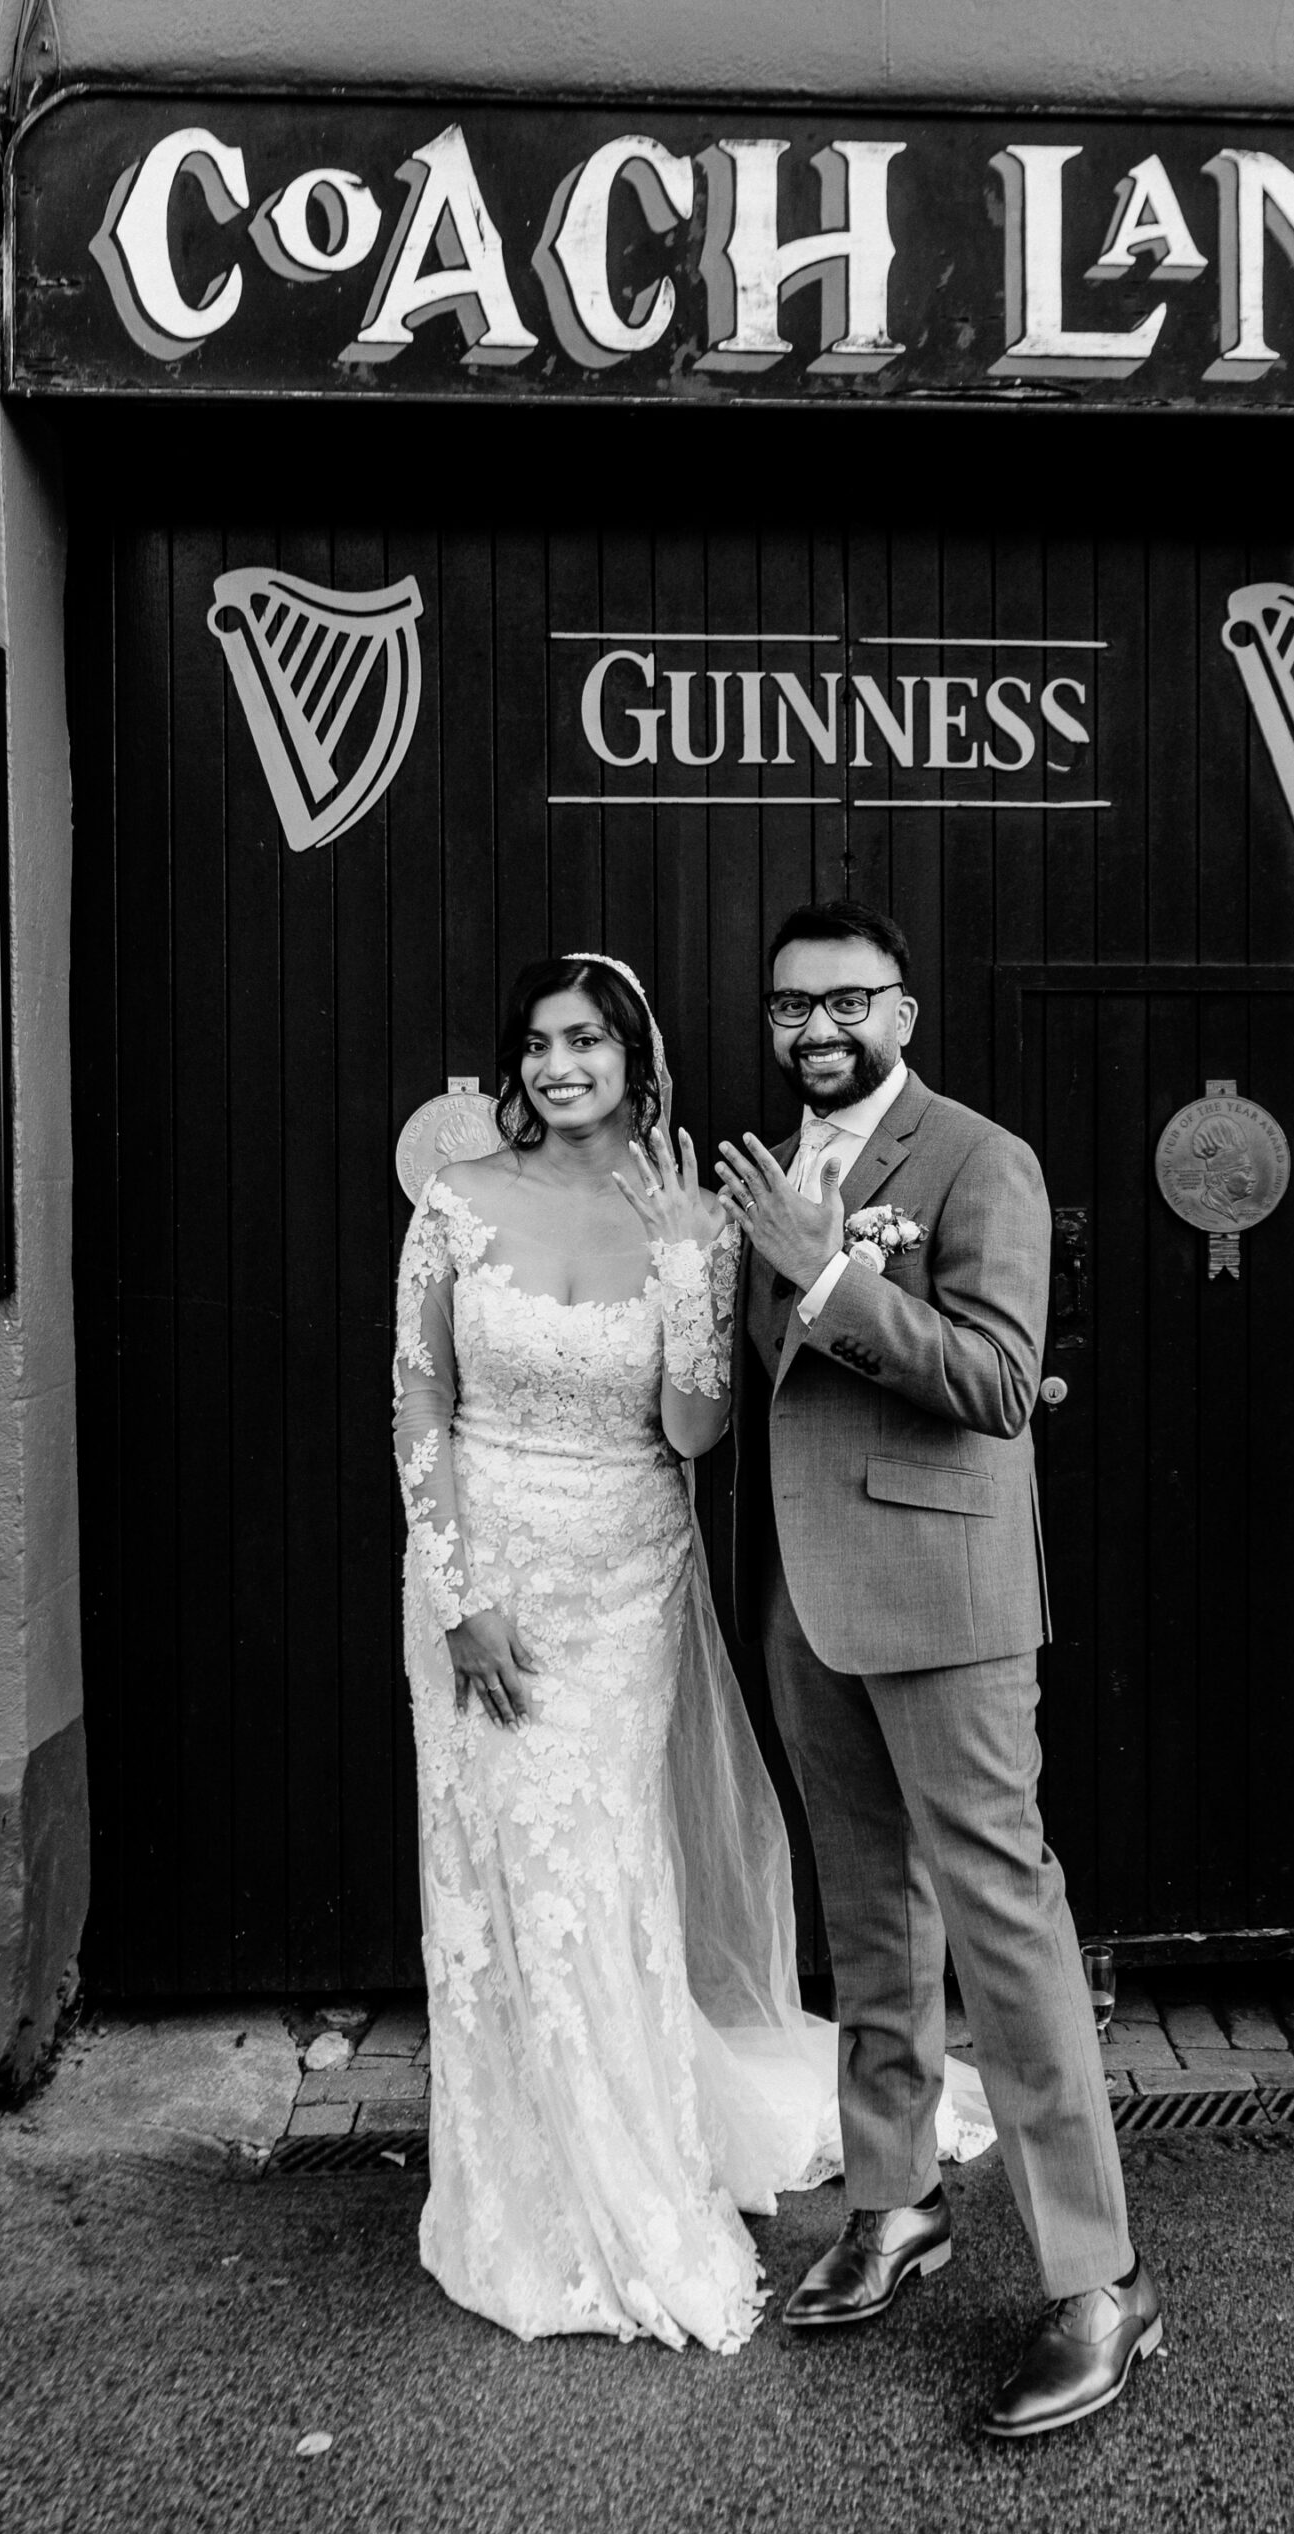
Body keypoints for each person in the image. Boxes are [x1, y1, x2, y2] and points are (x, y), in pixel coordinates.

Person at [391, 951, 987, 2354]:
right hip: (485, 1573)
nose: (559, 1067)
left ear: (633, 1054)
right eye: (537, 1043)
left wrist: (679, 1260)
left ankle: (630, 2179)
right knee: (494, 1873)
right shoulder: (454, 1206)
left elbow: (697, 1433)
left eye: (586, 1040)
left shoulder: (694, 1217)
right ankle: (518, 2184)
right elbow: (420, 1412)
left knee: (594, 1867)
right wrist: (459, 1593)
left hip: (625, 1578)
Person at [716, 899, 1162, 2440]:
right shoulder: (773, 1169)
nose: (818, 1031)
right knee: (869, 1921)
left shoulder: (982, 1159)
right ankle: (896, 2202)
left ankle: (1098, 2282)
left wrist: (826, 1280)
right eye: (790, 1009)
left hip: (946, 1595)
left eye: (847, 1002)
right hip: (806, 1605)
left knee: (1002, 1920)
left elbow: (992, 1380)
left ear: (904, 1010)